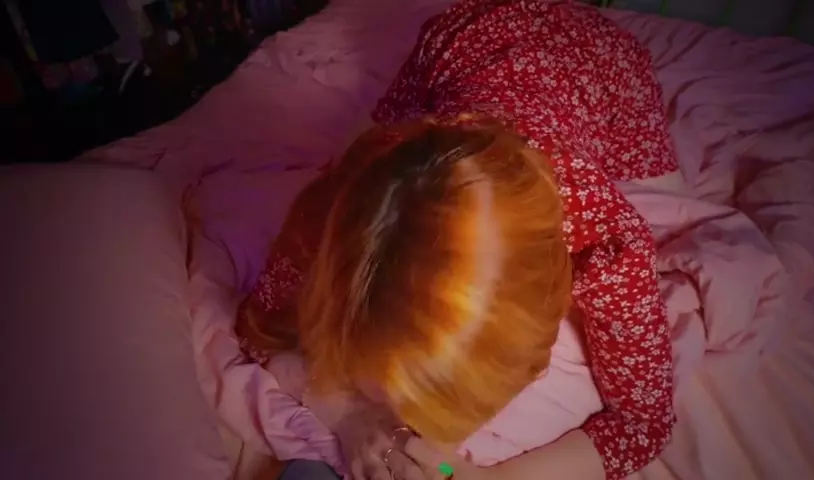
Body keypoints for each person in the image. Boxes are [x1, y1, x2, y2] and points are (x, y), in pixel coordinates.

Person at [237, 1, 679, 479]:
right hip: (476, 32)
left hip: (600, 58)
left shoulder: (611, 245)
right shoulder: (334, 206)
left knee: (671, 191)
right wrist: (347, 413)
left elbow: (643, 424)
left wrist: (499, 478)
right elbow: (261, 327)